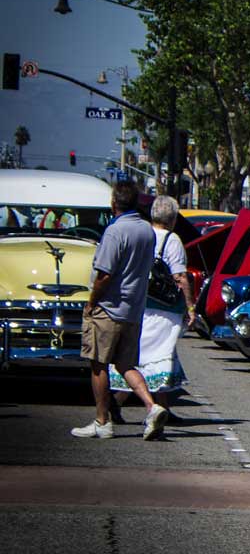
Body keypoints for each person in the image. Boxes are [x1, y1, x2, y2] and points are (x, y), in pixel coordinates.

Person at [71, 180, 167, 441]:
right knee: (125, 363)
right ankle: (152, 406)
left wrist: (92, 302)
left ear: (114, 203)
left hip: (109, 307)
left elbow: (104, 274)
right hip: (133, 308)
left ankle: (102, 421)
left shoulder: (115, 231)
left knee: (98, 363)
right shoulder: (146, 230)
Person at [109, 195, 195, 425]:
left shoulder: (142, 233)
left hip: (138, 303)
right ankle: (141, 405)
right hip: (164, 308)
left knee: (140, 355)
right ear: (173, 218)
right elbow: (180, 276)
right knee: (161, 355)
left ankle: (140, 404)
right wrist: (190, 306)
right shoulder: (172, 240)